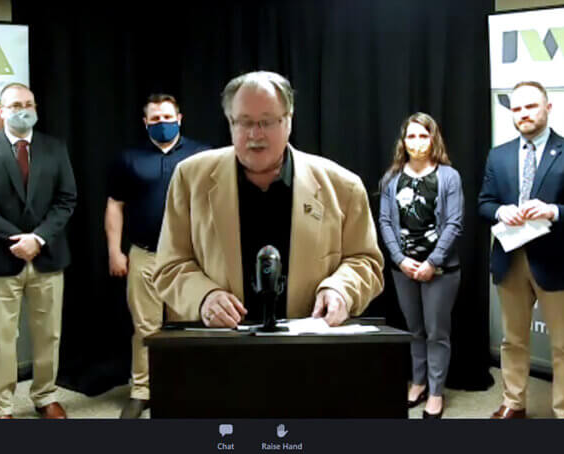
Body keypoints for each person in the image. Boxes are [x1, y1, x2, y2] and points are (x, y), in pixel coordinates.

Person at [153, 71, 384, 329]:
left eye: (267, 121)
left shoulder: (343, 187)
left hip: (311, 353)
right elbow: (170, 265)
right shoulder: (190, 178)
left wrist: (341, 290)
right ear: (230, 122)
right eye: (244, 122)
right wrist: (204, 297)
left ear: (289, 121)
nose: (255, 134)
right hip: (218, 351)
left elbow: (365, 261)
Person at [478, 81, 564, 419]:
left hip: (557, 263)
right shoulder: (499, 154)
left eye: (531, 107)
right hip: (510, 259)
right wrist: (499, 211)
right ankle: (513, 402)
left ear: (547, 108)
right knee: (512, 340)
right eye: (517, 109)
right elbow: (484, 203)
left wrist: (554, 211)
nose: (523, 114)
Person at [0, 83, 77, 419]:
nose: (22, 110)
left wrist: (38, 239)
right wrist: (20, 240)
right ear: (1, 112)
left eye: (28, 103)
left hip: (48, 256)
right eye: (14, 105)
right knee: (0, 340)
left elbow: (66, 199)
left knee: (48, 334)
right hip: (0, 258)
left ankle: (45, 395)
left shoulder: (55, 148)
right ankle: (2, 406)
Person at [104, 94, 210, 419]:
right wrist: (114, 252)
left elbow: (215, 207)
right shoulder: (129, 158)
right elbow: (114, 205)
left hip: (188, 258)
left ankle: (182, 387)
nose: (162, 123)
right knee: (146, 328)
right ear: (145, 122)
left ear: (179, 118)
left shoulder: (203, 155)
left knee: (184, 327)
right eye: (155, 119)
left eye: (167, 117)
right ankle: (142, 390)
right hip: (143, 255)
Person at [378, 112, 463, 419]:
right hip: (404, 270)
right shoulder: (392, 178)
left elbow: (454, 223)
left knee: (437, 332)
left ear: (433, 139)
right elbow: (385, 221)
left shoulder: (448, 177)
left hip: (439, 271)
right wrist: (400, 260)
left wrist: (432, 262)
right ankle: (418, 382)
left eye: (423, 136)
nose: (417, 142)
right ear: (403, 141)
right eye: (411, 136)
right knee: (414, 330)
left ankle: (436, 392)